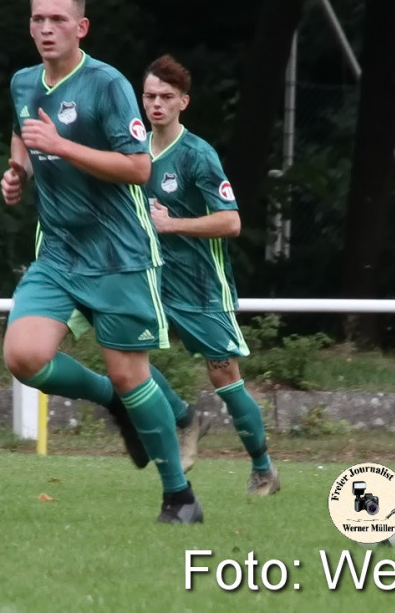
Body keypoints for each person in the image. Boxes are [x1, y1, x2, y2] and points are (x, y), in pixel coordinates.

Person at [0, 0, 202, 524]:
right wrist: (17, 170)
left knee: (131, 372)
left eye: (57, 20)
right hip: (59, 250)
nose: (45, 28)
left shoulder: (106, 83)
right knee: (24, 356)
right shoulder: (23, 82)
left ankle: (179, 497)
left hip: (117, 251)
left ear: (80, 27)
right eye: (38, 18)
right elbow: (23, 134)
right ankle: (115, 403)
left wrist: (62, 146)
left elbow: (139, 167)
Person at [141, 54, 280, 495]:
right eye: (149, 96)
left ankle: (262, 467)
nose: (156, 104)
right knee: (121, 353)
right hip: (148, 277)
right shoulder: (131, 150)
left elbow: (231, 222)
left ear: (184, 102)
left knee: (224, 377)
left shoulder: (198, 155)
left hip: (200, 284)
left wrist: (173, 224)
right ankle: (185, 419)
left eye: (166, 97)